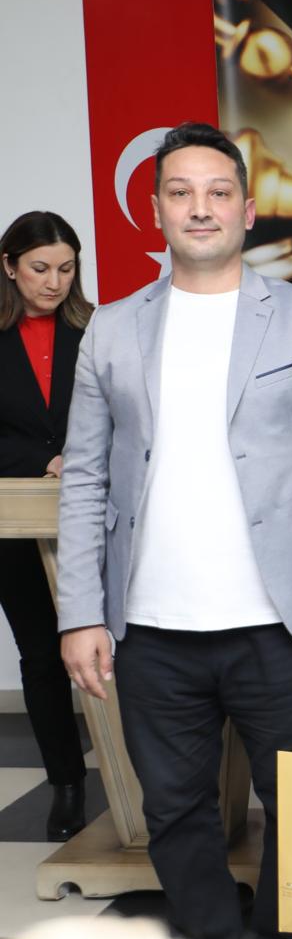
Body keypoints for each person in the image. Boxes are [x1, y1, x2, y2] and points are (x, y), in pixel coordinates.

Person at [55, 122, 292, 939]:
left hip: (281, 626)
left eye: (218, 191)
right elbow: (84, 479)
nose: (201, 208)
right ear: (157, 210)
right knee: (174, 809)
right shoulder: (112, 329)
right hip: (151, 629)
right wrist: (79, 613)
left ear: (248, 207)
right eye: (181, 192)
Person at [0, 211, 92, 841]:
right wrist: (43, 460)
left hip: (95, 517)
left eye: (65, 268)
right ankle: (66, 783)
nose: (53, 282)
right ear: (9, 267)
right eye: (39, 268)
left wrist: (78, 456)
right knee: (41, 654)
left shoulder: (98, 330)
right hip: (14, 518)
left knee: (125, 650)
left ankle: (147, 780)